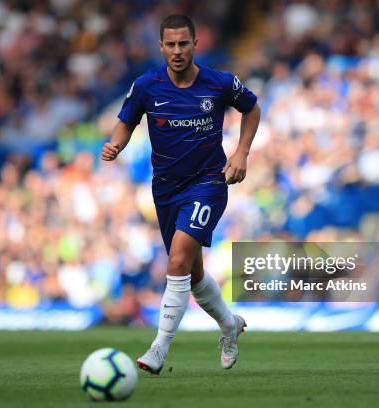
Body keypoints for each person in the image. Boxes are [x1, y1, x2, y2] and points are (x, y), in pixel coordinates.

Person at [101, 14, 260, 374]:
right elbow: (126, 121)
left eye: (183, 43)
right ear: (161, 47)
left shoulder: (220, 83)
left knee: (176, 263)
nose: (177, 51)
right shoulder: (147, 86)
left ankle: (158, 348)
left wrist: (241, 153)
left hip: (208, 183)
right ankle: (229, 324)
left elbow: (252, 109)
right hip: (166, 190)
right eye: (170, 44)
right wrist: (115, 144)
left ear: (195, 44)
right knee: (192, 273)